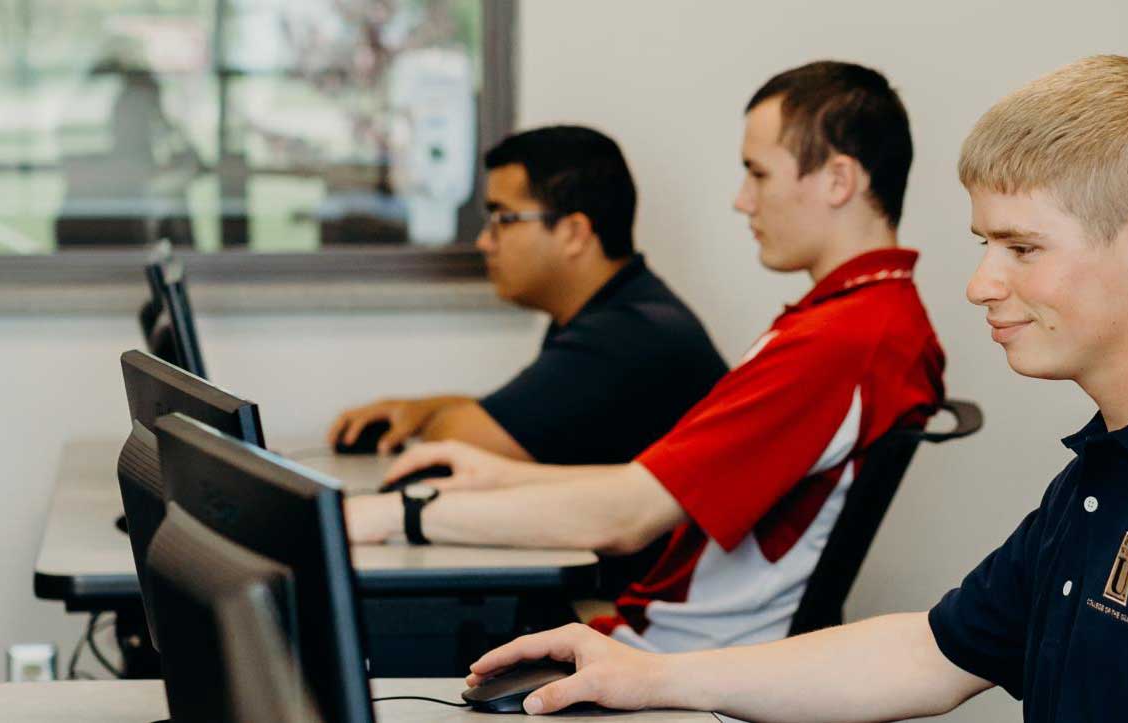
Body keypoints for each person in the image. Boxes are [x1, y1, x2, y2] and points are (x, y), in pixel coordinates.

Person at [452, 55, 1128, 722]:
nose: (980, 282)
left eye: (1019, 247)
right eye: (985, 245)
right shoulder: (1114, 462)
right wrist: (652, 678)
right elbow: (932, 652)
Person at [345, 61, 947, 654]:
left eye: (758, 174)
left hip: (677, 662)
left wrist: (399, 516)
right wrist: (503, 477)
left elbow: (627, 516)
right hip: (667, 644)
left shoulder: (843, 341)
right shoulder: (863, 318)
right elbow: (665, 484)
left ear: (839, 181)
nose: (742, 200)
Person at [326, 126, 728, 466]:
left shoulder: (626, 335)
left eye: (503, 219)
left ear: (574, 233)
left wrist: (433, 420)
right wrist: (422, 409)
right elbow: (525, 418)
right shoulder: (620, 310)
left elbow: (457, 443)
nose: (485, 241)